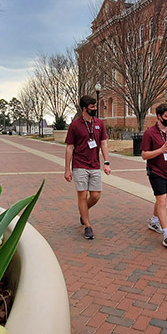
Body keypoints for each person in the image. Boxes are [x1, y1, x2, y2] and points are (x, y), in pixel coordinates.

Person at [64, 95, 111, 239]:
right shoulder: (75, 125)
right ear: (84, 108)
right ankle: (87, 226)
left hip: (95, 165)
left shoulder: (99, 124)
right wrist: (67, 169)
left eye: (95, 106)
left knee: (95, 196)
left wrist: (106, 163)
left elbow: (103, 143)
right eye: (92, 107)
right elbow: (70, 147)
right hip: (79, 165)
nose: (95, 109)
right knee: (82, 195)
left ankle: (83, 213)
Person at [141, 103, 167, 247]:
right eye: (166, 116)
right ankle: (166, 235)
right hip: (156, 171)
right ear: (159, 116)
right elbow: (144, 155)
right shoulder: (150, 133)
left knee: (161, 200)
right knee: (162, 202)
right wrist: (160, 150)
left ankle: (154, 221)